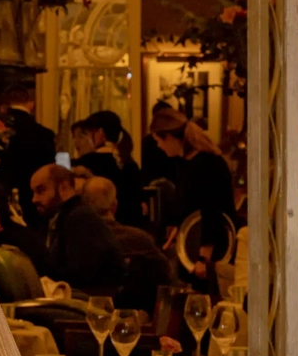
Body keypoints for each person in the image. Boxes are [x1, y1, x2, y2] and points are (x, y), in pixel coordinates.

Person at [149, 107, 237, 265]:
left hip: (211, 251)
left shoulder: (206, 163)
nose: (159, 147)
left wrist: (204, 255)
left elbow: (212, 209)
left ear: (169, 137)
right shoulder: (188, 163)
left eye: (158, 141)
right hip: (196, 246)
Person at [29, 164, 125, 293]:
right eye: (33, 192)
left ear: (64, 188)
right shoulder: (62, 218)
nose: (34, 199)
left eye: (41, 190)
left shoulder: (80, 218)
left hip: (94, 304)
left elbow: (79, 277)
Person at [81, 176, 170, 313]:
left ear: (84, 206)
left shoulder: (77, 240)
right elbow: (166, 275)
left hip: (87, 316)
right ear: (115, 205)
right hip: (136, 318)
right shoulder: (140, 238)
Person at [0, 84, 58, 226]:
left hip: (0, 200)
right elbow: (49, 171)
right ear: (31, 104)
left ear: (4, 106)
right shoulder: (44, 134)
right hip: (33, 199)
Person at [78, 111, 144, 226]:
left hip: (101, 227)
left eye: (88, 133)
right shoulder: (129, 162)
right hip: (131, 227)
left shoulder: (87, 163)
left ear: (100, 132)